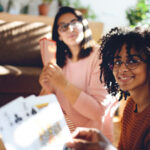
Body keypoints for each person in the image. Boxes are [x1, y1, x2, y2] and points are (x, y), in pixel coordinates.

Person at [39, 6, 117, 142]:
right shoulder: (60, 62)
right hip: (63, 135)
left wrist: (64, 84)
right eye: (63, 26)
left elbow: (99, 112)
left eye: (74, 23)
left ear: (84, 25)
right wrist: (46, 87)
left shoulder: (101, 57)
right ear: (59, 36)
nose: (70, 29)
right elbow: (44, 107)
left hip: (94, 139)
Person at [65, 26, 150, 150]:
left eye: (132, 61)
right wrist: (105, 143)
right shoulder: (131, 106)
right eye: (117, 62)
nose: (122, 69)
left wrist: (106, 149)